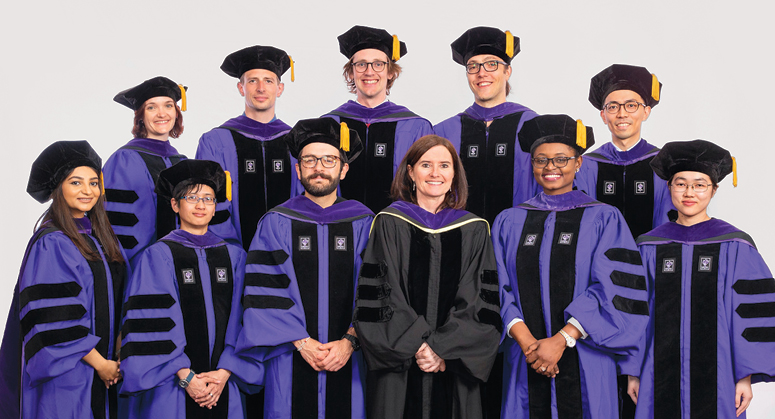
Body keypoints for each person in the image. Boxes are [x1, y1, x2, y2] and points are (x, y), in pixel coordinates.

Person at [493, 115, 650, 418]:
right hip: (525, 355)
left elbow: (613, 287)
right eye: (542, 160)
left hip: (587, 357)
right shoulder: (509, 221)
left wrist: (562, 339)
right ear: (532, 164)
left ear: (578, 163)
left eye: (561, 159)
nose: (551, 168)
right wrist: (528, 342)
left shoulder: (604, 218)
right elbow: (495, 285)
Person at [223, 118, 373, 418]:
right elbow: (263, 291)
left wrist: (350, 340)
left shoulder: (365, 223)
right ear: (298, 169)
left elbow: (376, 290)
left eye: (329, 159)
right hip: (289, 354)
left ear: (343, 169)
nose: (319, 167)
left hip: (350, 356)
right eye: (310, 160)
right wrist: (302, 343)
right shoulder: (276, 222)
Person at [354, 135, 501, 419]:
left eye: (445, 165)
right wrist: (419, 346)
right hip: (401, 365)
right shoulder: (388, 222)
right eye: (426, 165)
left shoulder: (474, 229)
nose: (436, 173)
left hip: (452, 365)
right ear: (410, 172)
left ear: (454, 174)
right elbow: (383, 294)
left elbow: (478, 302)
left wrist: (441, 350)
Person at [631, 140, 775, 419]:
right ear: (669, 187)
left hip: (720, 374)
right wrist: (633, 372)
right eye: (680, 183)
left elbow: (751, 316)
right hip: (655, 371)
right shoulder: (648, 247)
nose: (689, 193)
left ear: (714, 190)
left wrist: (744, 376)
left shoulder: (736, 245)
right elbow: (635, 314)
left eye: (699, 185)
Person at [0, 141, 127, 419]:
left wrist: (116, 355)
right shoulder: (53, 242)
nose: (87, 191)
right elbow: (55, 318)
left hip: (110, 370)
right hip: (70, 374)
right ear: (59, 189)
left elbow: (123, 298)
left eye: (94, 183)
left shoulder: (103, 238)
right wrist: (100, 364)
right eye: (76, 182)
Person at [119, 160, 248, 419]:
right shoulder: (157, 255)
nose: (201, 205)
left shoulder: (235, 257)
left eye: (208, 199)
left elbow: (245, 319)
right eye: (192, 197)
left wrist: (225, 371)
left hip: (224, 383)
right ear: (175, 205)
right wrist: (186, 375)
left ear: (215, 208)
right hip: (171, 384)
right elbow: (150, 324)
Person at [197, 45, 299, 250]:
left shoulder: (297, 141)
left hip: (290, 255)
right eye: (253, 81)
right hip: (232, 256)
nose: (261, 88)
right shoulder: (216, 141)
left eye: (268, 81)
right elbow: (207, 202)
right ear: (241, 88)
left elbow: (305, 199)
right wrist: (231, 252)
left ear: (280, 88)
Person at [322, 25, 433, 214]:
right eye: (361, 64)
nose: (369, 71)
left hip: (397, 229)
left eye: (378, 64)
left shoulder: (415, 126)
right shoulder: (329, 124)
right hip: (338, 229)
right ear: (351, 72)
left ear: (390, 72)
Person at [434, 26, 539, 225]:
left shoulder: (532, 126)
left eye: (491, 64)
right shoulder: (444, 131)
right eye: (473, 66)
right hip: (457, 242)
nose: (481, 73)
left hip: (517, 239)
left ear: (507, 71)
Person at [576, 64, 673, 238]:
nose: (622, 114)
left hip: (649, 260)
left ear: (646, 112)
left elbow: (668, 222)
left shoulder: (663, 166)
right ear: (603, 116)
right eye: (613, 107)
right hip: (599, 263)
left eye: (631, 105)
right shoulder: (586, 166)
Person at [104, 76, 188, 267]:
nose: (161, 113)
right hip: (140, 269)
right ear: (140, 116)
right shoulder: (124, 160)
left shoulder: (181, 162)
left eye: (168, 105)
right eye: (151, 107)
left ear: (176, 112)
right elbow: (120, 225)